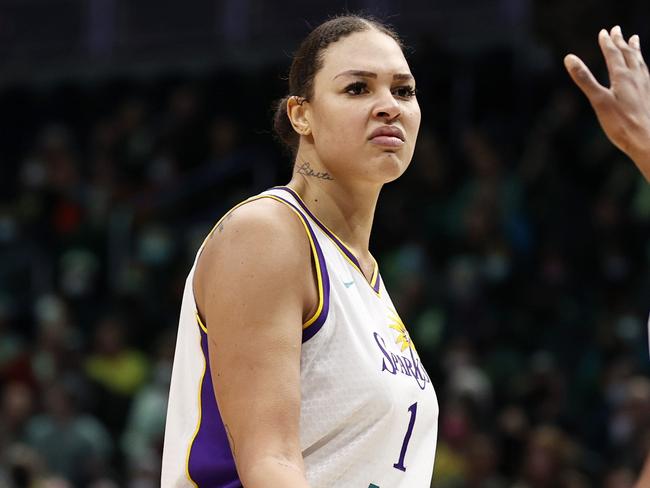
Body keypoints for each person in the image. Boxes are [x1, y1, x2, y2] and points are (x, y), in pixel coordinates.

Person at [161, 14, 650, 488]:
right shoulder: (268, 231)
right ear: (300, 113)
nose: (388, 105)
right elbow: (270, 464)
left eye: (403, 90)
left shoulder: (362, 273)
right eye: (358, 88)